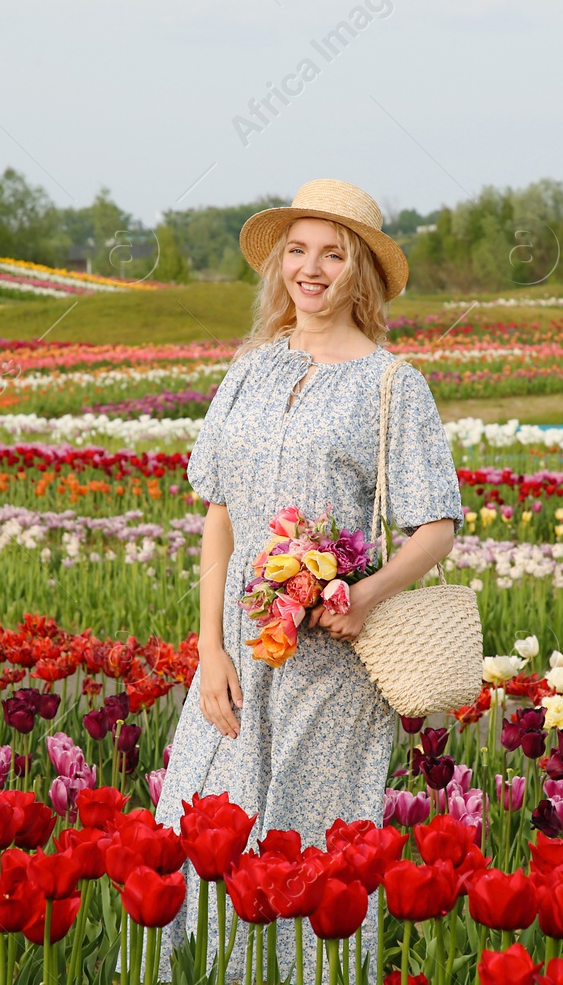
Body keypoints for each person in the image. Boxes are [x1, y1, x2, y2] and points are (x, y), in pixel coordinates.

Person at [152, 179, 465, 982]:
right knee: (199, 829)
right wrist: (208, 648)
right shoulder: (250, 370)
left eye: (332, 253)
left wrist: (365, 594)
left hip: (331, 660)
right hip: (236, 656)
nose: (311, 269)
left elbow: (437, 527)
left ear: (360, 271)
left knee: (303, 844)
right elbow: (219, 517)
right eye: (298, 250)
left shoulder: (393, 385)